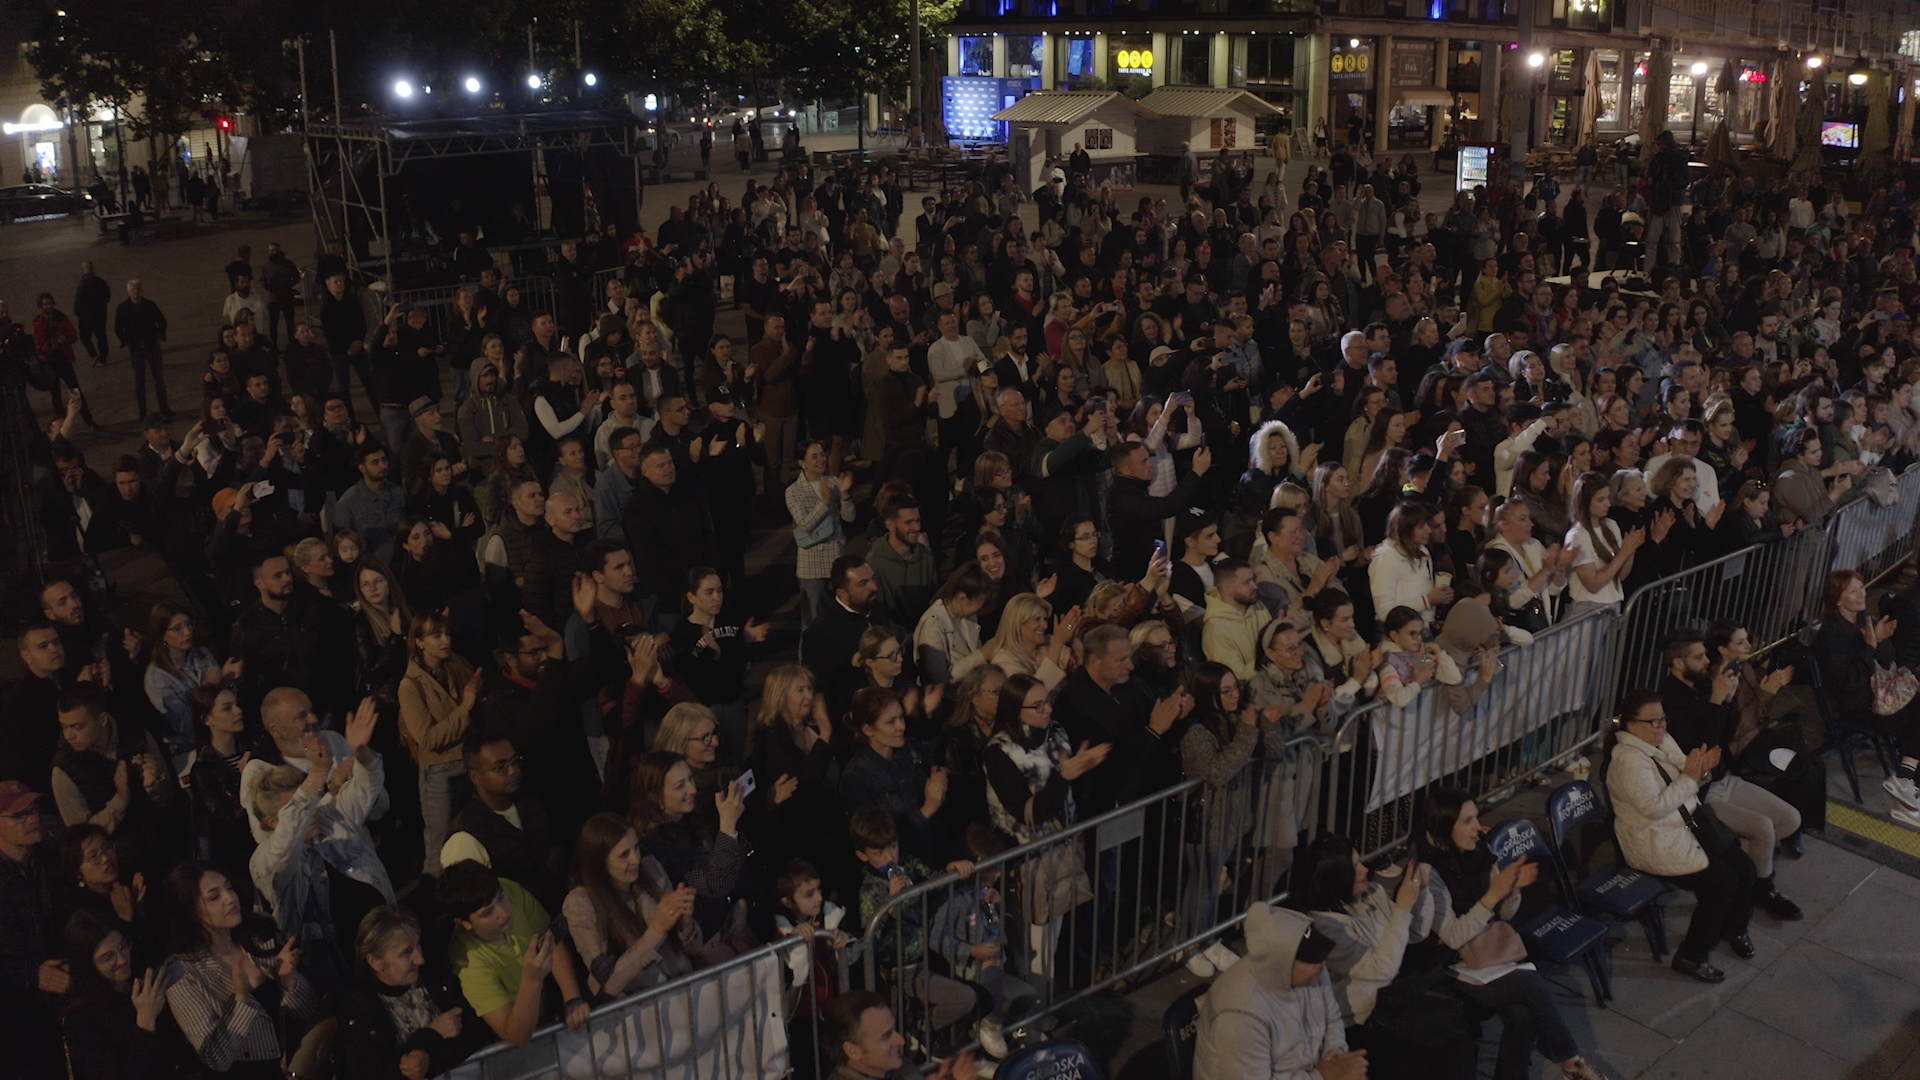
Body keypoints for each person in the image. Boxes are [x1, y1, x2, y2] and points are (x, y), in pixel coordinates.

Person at [1413, 789, 1611, 1079]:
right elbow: (1453, 937)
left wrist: (1511, 892)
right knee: (1533, 986)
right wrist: (1493, 895)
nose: (1478, 828)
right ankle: (1573, 1064)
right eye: (1467, 822)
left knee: (1523, 1015)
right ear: (1444, 827)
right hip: (1450, 966)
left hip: (1489, 955)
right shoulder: (1430, 873)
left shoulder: (1480, 853)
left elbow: (1505, 914)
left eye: (1477, 818)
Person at [1607, 690, 1756, 983]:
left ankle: (1733, 928)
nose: (1661, 726)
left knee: (1744, 867)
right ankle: (1692, 956)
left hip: (1688, 825)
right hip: (1655, 841)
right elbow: (1654, 808)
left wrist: (1702, 770)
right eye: (1653, 721)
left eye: (1663, 719)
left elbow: (1686, 773)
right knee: (1722, 881)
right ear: (1631, 724)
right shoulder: (1628, 762)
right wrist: (1690, 775)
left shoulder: (1661, 740)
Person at [1656, 632, 1803, 921]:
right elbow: (1699, 750)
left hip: (1723, 777)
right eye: (1698, 657)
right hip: (1699, 791)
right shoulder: (1671, 701)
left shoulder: (1704, 684)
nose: (1707, 660)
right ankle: (1763, 888)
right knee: (1762, 828)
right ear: (1677, 662)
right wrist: (1715, 701)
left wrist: (1727, 701)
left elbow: (1727, 738)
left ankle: (1747, 876)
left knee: (1790, 819)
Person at [161, 861, 327, 1078]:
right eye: (214, 897)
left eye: (229, 888)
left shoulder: (259, 935)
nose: (230, 898)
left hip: (296, 1066)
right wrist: (241, 1000)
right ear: (190, 911)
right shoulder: (182, 972)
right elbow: (215, 1058)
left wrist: (289, 980)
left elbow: (308, 1011)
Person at [1191, 902, 1359, 1080]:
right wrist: (1323, 1076)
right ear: (1282, 964)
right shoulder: (1241, 1013)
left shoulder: (1314, 971)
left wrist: (1338, 1059)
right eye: (1310, 959)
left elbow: (1332, 1018)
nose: (1322, 964)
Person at [439, 859, 591, 1045]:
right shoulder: (467, 960)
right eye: (488, 913)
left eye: (501, 898)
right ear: (464, 923)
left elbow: (552, 939)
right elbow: (515, 1035)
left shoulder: (506, 887)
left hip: (555, 1015)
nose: (503, 913)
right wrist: (531, 979)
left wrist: (572, 998)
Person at [1814, 569, 1920, 828]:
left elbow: (1886, 661)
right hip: (1857, 706)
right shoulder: (1831, 633)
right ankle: (1907, 784)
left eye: (1862, 587)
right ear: (1837, 599)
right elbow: (1847, 682)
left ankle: (1907, 785)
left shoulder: (1864, 620)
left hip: (1878, 696)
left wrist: (1881, 640)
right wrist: (1870, 646)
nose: (1862, 594)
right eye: (1853, 590)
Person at [338, 905, 493, 1080]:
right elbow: (376, 1074)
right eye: (406, 953)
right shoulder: (358, 1007)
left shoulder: (432, 972)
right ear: (375, 962)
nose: (420, 959)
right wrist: (432, 1034)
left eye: (418, 944)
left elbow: (475, 1030)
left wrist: (430, 1062)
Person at [560, 813, 700, 998]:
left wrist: (684, 923)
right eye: (624, 855)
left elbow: (695, 948)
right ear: (599, 862)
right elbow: (609, 981)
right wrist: (658, 929)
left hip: (683, 988)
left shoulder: (651, 869)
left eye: (636, 847)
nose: (635, 859)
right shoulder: (580, 903)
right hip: (636, 1007)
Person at [398, 612, 479, 876]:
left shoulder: (456, 664)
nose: (445, 640)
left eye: (446, 634)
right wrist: (465, 708)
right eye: (436, 635)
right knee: (439, 849)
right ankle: (434, 904)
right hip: (439, 773)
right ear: (419, 642)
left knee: (471, 836)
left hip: (467, 762)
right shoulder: (410, 686)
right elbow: (429, 738)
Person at [59, 910, 172, 1080]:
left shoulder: (144, 981)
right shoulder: (81, 1017)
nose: (122, 960)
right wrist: (145, 1020)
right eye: (107, 958)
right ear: (87, 964)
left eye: (122, 946)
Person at [822, 989, 978, 1080]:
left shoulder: (901, 1067)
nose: (901, 1040)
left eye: (894, 1030)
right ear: (853, 1050)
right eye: (885, 1036)